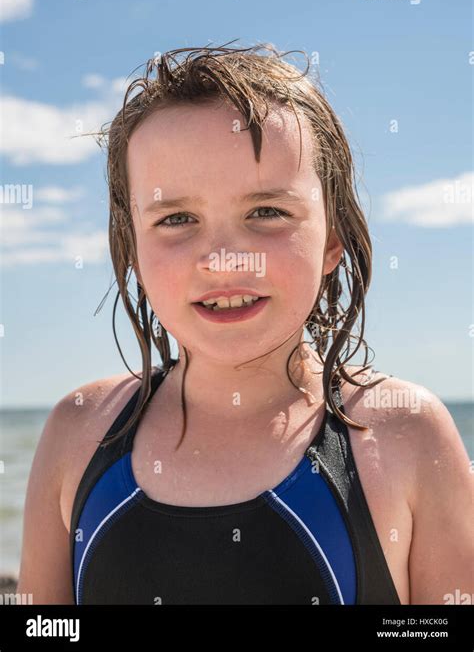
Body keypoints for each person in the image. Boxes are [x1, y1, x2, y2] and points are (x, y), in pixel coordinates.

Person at [17, 43, 472, 605]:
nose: (225, 259)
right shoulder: (78, 434)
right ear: (131, 247)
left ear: (332, 238)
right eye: (177, 218)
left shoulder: (404, 435)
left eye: (267, 212)